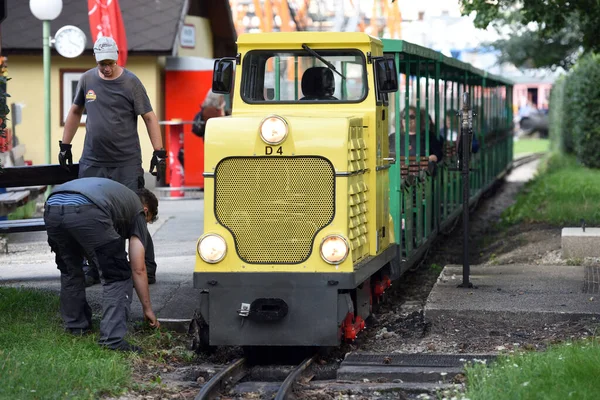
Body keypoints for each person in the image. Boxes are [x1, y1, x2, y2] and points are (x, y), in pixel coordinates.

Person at [58, 36, 166, 286]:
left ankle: (147, 269)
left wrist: (159, 151)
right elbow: (75, 111)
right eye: (101, 63)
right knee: (88, 215)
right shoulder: (87, 79)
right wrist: (65, 145)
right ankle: (94, 269)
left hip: (125, 162)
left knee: (134, 215)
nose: (105, 68)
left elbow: (149, 117)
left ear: (116, 57)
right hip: (93, 161)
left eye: (109, 62)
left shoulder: (131, 82)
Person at [44, 177, 160, 353]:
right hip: (87, 209)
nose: (145, 226)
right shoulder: (137, 211)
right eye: (147, 221)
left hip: (52, 205)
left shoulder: (116, 196)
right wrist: (147, 308)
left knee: (70, 270)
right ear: (146, 211)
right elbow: (138, 268)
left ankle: (76, 326)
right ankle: (112, 340)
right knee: (117, 274)